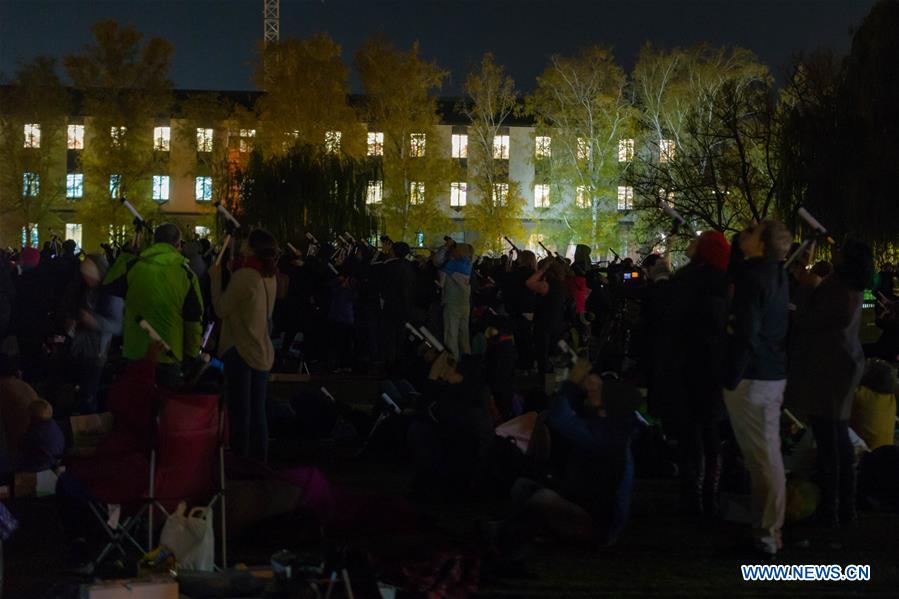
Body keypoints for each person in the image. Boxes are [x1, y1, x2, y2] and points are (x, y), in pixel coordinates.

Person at [787, 238, 873, 528]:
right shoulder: (850, 286)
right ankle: (844, 506)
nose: (835, 253)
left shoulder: (838, 290)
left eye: (840, 251)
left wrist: (805, 286)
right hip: (843, 364)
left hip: (830, 367)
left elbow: (806, 320)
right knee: (837, 434)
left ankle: (833, 508)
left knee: (829, 438)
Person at [724, 219, 792, 557]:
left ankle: (767, 536)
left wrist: (731, 375)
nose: (744, 232)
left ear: (762, 245)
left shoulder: (754, 279)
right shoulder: (775, 274)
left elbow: (746, 333)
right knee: (763, 457)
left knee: (763, 460)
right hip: (770, 372)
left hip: (753, 378)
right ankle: (763, 530)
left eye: (752, 231)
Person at [671, 232, 731, 515]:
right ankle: (710, 494)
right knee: (710, 432)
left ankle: (690, 494)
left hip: (685, 363)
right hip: (713, 364)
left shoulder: (683, 279)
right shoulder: (724, 282)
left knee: (690, 433)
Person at [103, 223, 204, 387]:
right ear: (178, 245)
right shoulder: (186, 275)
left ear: (154, 242)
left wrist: (126, 255)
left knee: (136, 401)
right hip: (168, 354)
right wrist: (191, 355)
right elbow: (193, 320)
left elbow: (109, 285)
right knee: (166, 401)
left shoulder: (134, 267)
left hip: (135, 352)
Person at [210, 229, 279, 462]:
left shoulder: (245, 276)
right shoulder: (269, 276)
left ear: (252, 248)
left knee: (240, 410)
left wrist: (216, 279)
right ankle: (260, 460)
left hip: (240, 349)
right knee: (258, 410)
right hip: (262, 348)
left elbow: (221, 308)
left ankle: (241, 459)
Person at [57, 255, 124, 412]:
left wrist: (94, 321)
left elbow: (118, 326)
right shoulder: (87, 290)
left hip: (97, 351)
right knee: (82, 390)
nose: (87, 280)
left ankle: (89, 420)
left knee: (89, 393)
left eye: (90, 277)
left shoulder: (111, 294)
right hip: (81, 346)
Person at [527, 258, 567, 377]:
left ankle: (544, 380)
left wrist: (543, 269)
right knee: (553, 354)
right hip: (557, 322)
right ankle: (554, 380)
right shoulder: (561, 284)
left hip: (544, 323)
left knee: (543, 354)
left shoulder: (546, 285)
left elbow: (529, 283)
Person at [434, 240, 473, 360]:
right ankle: (467, 361)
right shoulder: (468, 264)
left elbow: (437, 262)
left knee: (451, 335)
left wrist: (446, 247)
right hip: (465, 303)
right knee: (464, 335)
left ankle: (453, 362)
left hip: (452, 303)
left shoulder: (452, 265)